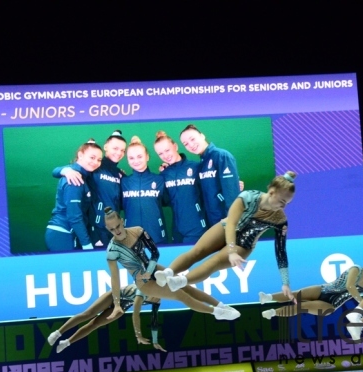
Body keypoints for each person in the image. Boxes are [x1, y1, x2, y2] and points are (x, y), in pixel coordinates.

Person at [155, 172, 297, 302]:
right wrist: (231, 250)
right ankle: (168, 272)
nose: (283, 207)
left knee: (213, 262)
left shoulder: (280, 219)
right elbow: (231, 224)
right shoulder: (248, 197)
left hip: (244, 244)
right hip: (226, 228)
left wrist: (285, 282)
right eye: (282, 202)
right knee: (197, 251)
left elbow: (281, 251)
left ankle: (179, 282)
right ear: (272, 192)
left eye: (287, 204)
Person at [102, 207, 240, 323]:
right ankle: (216, 312)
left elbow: (155, 253)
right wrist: (117, 304)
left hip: (154, 269)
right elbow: (115, 278)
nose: (117, 231)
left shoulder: (137, 231)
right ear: (107, 229)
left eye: (118, 226)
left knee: (186, 287)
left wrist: (149, 271)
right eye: (112, 230)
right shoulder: (112, 250)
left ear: (122, 220)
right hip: (143, 282)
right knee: (180, 295)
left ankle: (221, 305)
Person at [260, 252, 363, 331]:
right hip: (324, 289)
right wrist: (361, 302)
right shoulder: (356, 269)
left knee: (302, 306)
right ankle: (268, 297)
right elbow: (350, 286)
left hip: (330, 305)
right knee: (296, 295)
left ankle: (273, 312)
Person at [53, 129, 127, 247]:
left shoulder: (120, 174)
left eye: (123, 150)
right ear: (106, 147)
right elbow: (64, 169)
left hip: (113, 230)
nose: (119, 153)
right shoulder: (94, 166)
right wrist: (64, 170)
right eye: (115, 148)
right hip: (95, 231)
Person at [47, 284, 166, 353]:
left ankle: (66, 342)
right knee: (88, 314)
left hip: (123, 306)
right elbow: (135, 315)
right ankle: (57, 333)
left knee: (95, 324)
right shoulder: (144, 291)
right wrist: (138, 335)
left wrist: (155, 341)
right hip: (115, 295)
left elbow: (154, 321)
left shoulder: (158, 300)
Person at [45, 139, 102, 251]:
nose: (95, 162)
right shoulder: (75, 179)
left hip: (68, 233)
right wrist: (86, 244)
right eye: (92, 157)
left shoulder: (83, 175)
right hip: (62, 234)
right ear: (80, 155)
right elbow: (74, 216)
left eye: (99, 160)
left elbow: (56, 171)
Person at [179, 124, 240, 226]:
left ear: (202, 136)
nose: (191, 145)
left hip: (227, 223)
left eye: (192, 139)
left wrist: (232, 223)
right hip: (212, 222)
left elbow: (232, 194)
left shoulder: (221, 156)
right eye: (186, 144)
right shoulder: (201, 165)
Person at [153, 130, 208, 243]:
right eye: (160, 153)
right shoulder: (163, 175)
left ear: (175, 146)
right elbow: (164, 201)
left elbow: (211, 188)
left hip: (198, 229)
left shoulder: (196, 167)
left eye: (167, 150)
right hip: (177, 231)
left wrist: (235, 184)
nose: (165, 155)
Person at [121, 136, 168, 244]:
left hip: (156, 236)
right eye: (131, 158)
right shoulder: (123, 182)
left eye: (139, 156)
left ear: (147, 156)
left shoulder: (160, 179)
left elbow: (168, 201)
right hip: (131, 239)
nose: (136, 161)